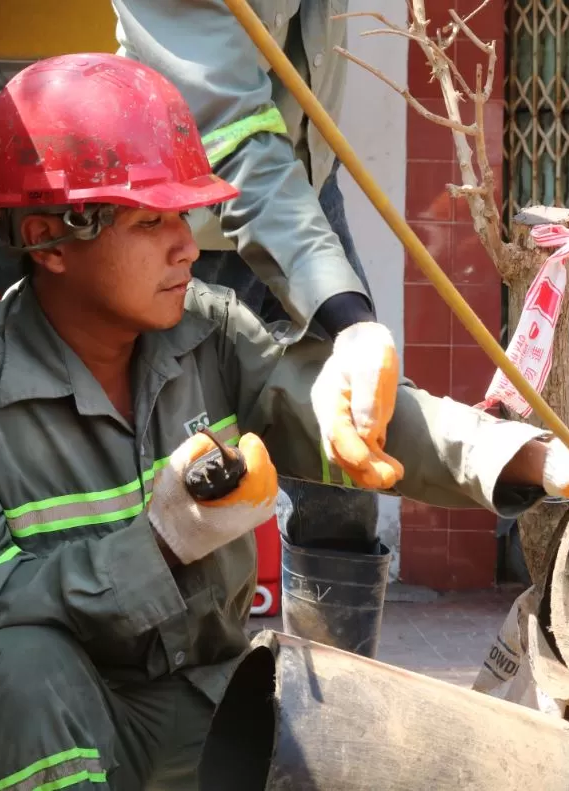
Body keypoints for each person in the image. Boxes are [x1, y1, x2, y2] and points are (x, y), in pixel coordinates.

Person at [0, 54, 569, 791]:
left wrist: (528, 458)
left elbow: (340, 413)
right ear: (49, 236)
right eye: (150, 222)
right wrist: (158, 546)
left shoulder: (207, 329)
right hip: (58, 718)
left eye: (184, 216)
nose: (185, 247)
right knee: (17, 663)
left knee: (362, 733)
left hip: (203, 702)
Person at [108, 0, 399, 655]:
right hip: (184, 210)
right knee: (177, 474)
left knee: (346, 467)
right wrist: (347, 318)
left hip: (303, 190)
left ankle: (337, 701)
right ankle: (172, 692)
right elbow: (234, 138)